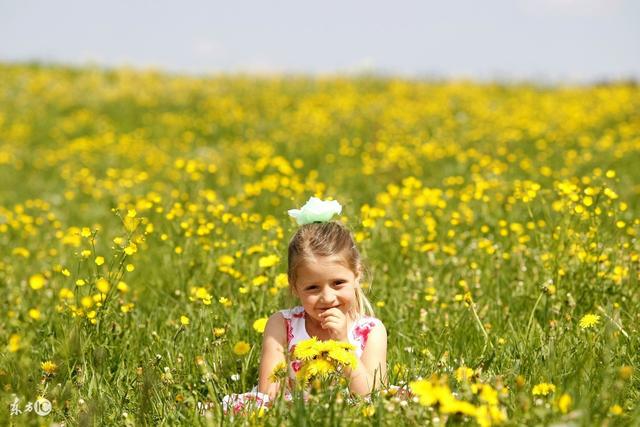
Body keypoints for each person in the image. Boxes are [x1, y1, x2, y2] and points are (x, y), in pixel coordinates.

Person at [221, 197, 387, 413]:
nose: (327, 298)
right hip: (291, 410)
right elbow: (268, 392)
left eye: (338, 283)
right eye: (312, 288)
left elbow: (372, 395)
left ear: (357, 276)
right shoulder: (282, 325)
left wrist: (343, 344)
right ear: (295, 287)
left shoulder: (371, 332)